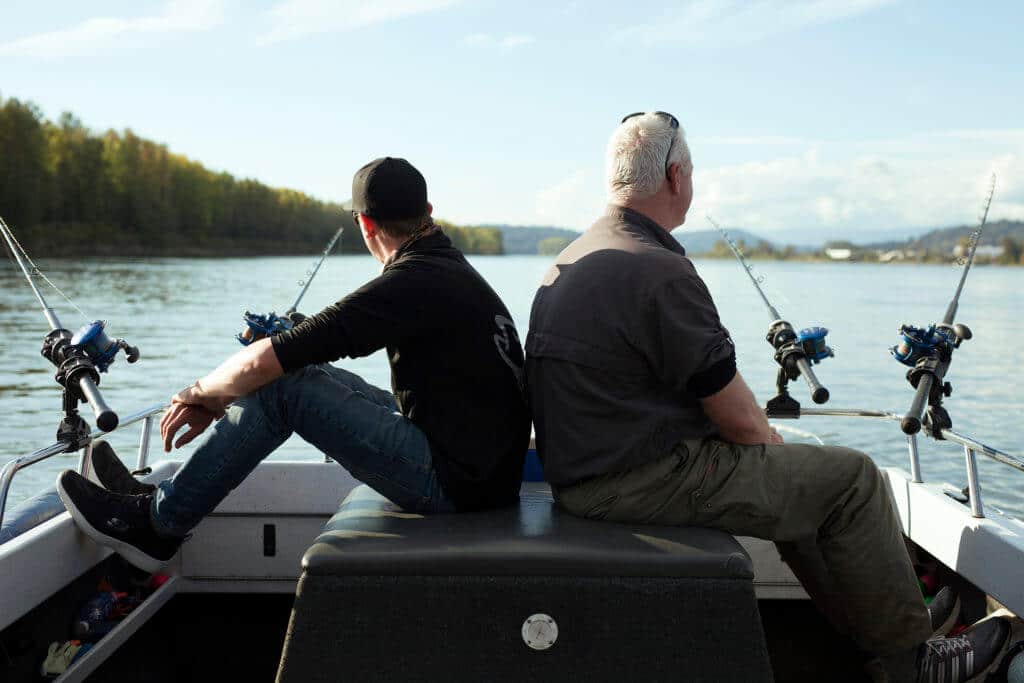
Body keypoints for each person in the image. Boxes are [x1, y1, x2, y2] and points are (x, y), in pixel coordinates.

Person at [524, 112, 1009, 683]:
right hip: (638, 479)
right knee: (851, 479)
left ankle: (872, 635)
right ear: (677, 177)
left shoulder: (575, 256)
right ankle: (914, 659)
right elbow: (740, 421)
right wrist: (766, 442)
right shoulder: (658, 269)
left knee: (800, 489)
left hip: (586, 476)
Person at [59, 156, 531, 573]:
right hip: (485, 473)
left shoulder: (415, 280)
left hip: (457, 485)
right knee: (308, 375)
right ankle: (158, 499)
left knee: (286, 389)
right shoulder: (446, 268)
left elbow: (271, 358)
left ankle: (157, 526)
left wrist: (198, 393)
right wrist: (229, 389)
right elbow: (305, 348)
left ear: (364, 226)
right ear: (428, 213)